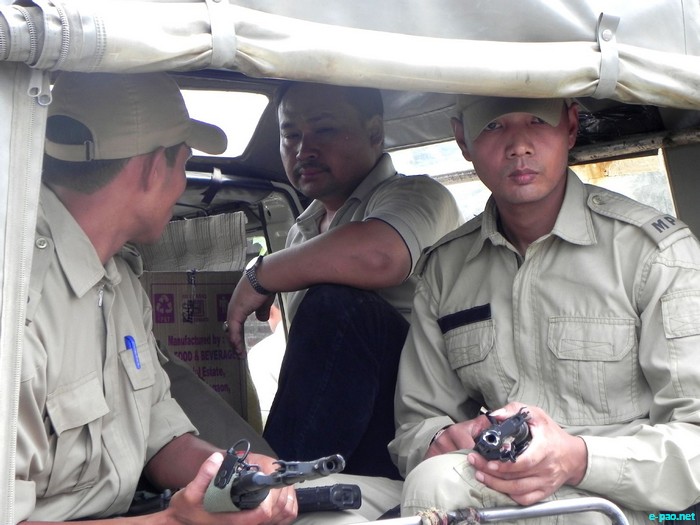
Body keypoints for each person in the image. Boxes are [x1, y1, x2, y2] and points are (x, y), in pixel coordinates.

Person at [389, 95, 700, 523]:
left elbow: (694, 435)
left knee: (442, 485)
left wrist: (578, 458)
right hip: (492, 486)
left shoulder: (654, 255)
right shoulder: (446, 270)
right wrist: (446, 437)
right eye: (493, 126)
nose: (518, 146)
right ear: (462, 140)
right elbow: (414, 426)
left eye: (537, 120)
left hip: (626, 502)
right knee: (408, 489)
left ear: (570, 126)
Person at [17, 71, 296, 524]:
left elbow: (161, 437)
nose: (182, 182)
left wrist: (240, 474)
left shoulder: (121, 283)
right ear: (151, 169)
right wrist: (174, 521)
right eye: (183, 164)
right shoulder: (17, 303)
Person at [226, 81, 462, 480]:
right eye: (290, 135)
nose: (304, 149)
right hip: (345, 425)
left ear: (374, 132)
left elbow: (380, 254)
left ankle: (275, 485)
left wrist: (259, 275)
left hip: (414, 421)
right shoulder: (301, 233)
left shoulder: (419, 196)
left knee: (336, 304)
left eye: (324, 130)